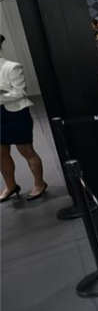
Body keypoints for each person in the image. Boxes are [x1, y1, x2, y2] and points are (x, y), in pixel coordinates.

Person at [0, 35, 47, 202]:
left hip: (16, 114)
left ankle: (39, 183)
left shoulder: (12, 67)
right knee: (1, 153)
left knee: (26, 150)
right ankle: (11, 186)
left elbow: (20, 92)